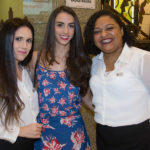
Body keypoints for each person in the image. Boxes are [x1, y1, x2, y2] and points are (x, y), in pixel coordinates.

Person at [84, 9, 150, 150]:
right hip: (104, 135)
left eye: (110, 28)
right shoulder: (95, 63)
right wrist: (102, 111)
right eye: (97, 31)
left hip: (138, 137)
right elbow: (93, 97)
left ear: (121, 30)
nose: (103, 35)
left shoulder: (142, 59)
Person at [33, 6, 92, 150]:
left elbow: (89, 100)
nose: (65, 31)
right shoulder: (36, 58)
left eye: (70, 26)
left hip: (74, 137)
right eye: (60, 25)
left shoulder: (81, 62)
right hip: (42, 135)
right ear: (51, 27)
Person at [0, 18, 42, 150]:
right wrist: (20, 131)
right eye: (18, 39)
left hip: (27, 144)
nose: (24, 46)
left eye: (28, 40)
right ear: (7, 40)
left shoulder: (24, 72)